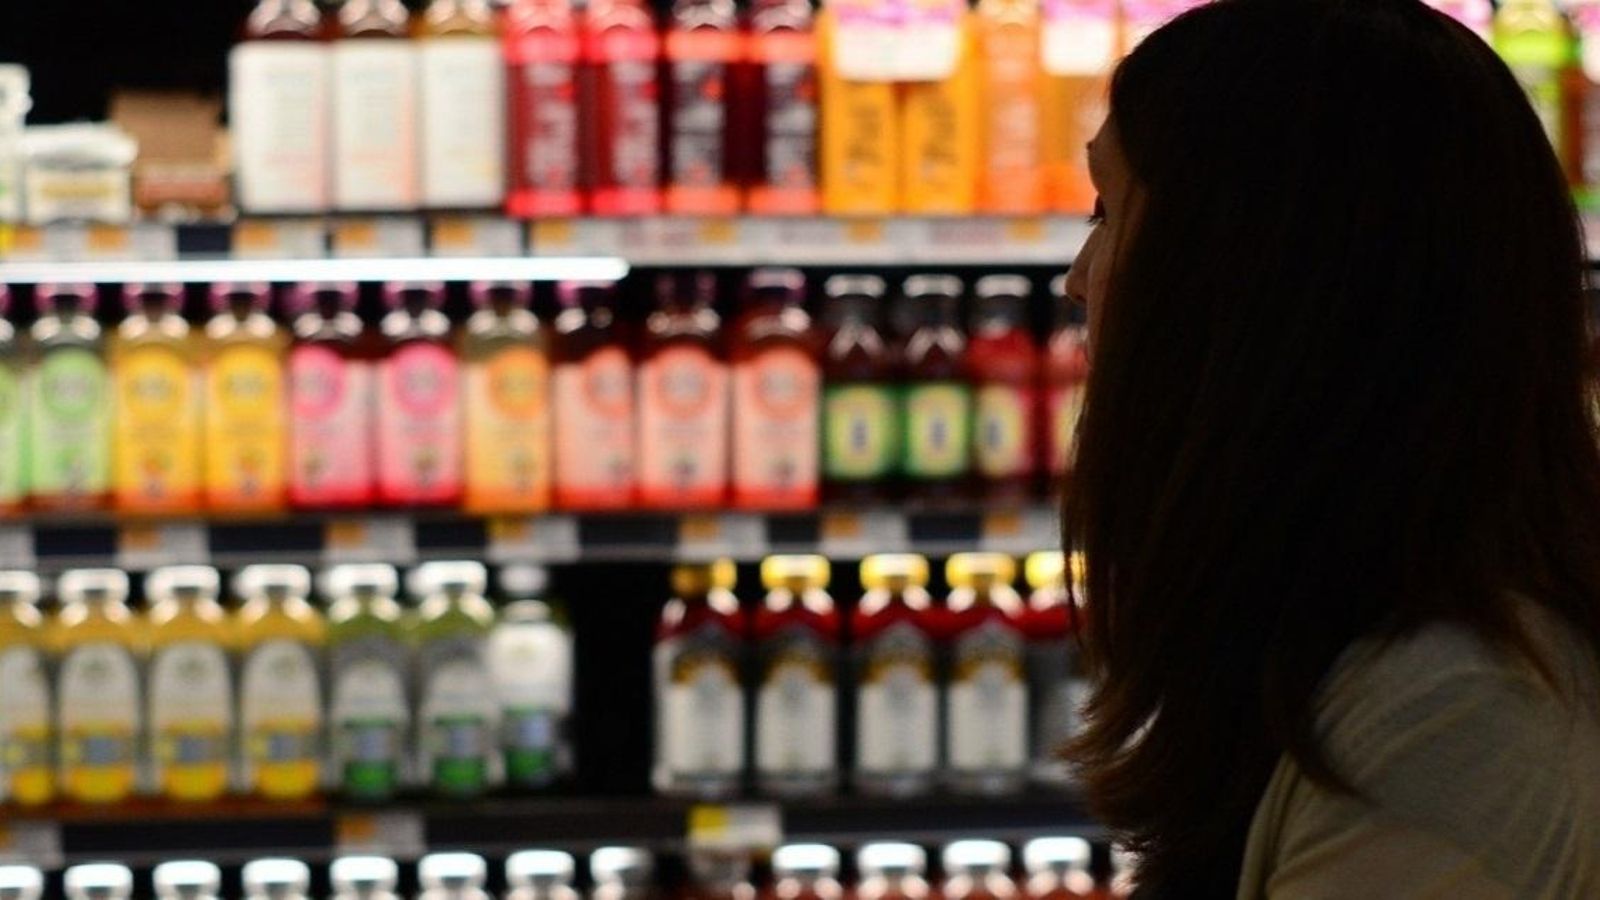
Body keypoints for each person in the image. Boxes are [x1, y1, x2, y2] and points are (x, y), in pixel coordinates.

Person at [1058, 0, 1600, 896]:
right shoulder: (1353, 647)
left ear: (1256, 280)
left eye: (1106, 211)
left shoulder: (1449, 726)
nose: (1078, 281)